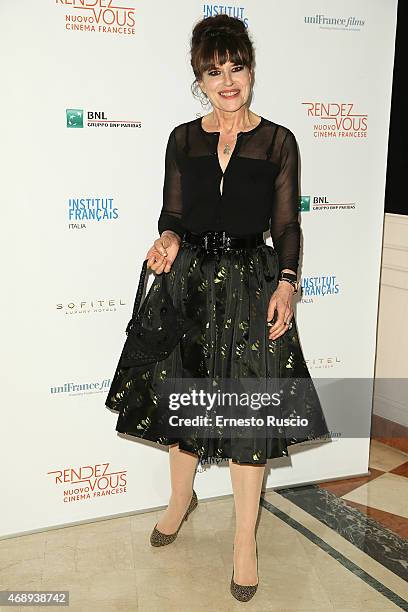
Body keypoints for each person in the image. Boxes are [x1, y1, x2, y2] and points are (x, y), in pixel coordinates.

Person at [105, 14, 330, 602]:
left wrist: (288, 282)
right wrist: (169, 241)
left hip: (253, 287)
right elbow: (174, 215)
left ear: (251, 69)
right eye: (214, 70)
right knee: (188, 396)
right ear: (199, 78)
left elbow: (287, 226)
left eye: (236, 67)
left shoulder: (278, 141)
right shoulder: (182, 139)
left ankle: (244, 543)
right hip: (190, 284)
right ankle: (181, 500)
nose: (227, 80)